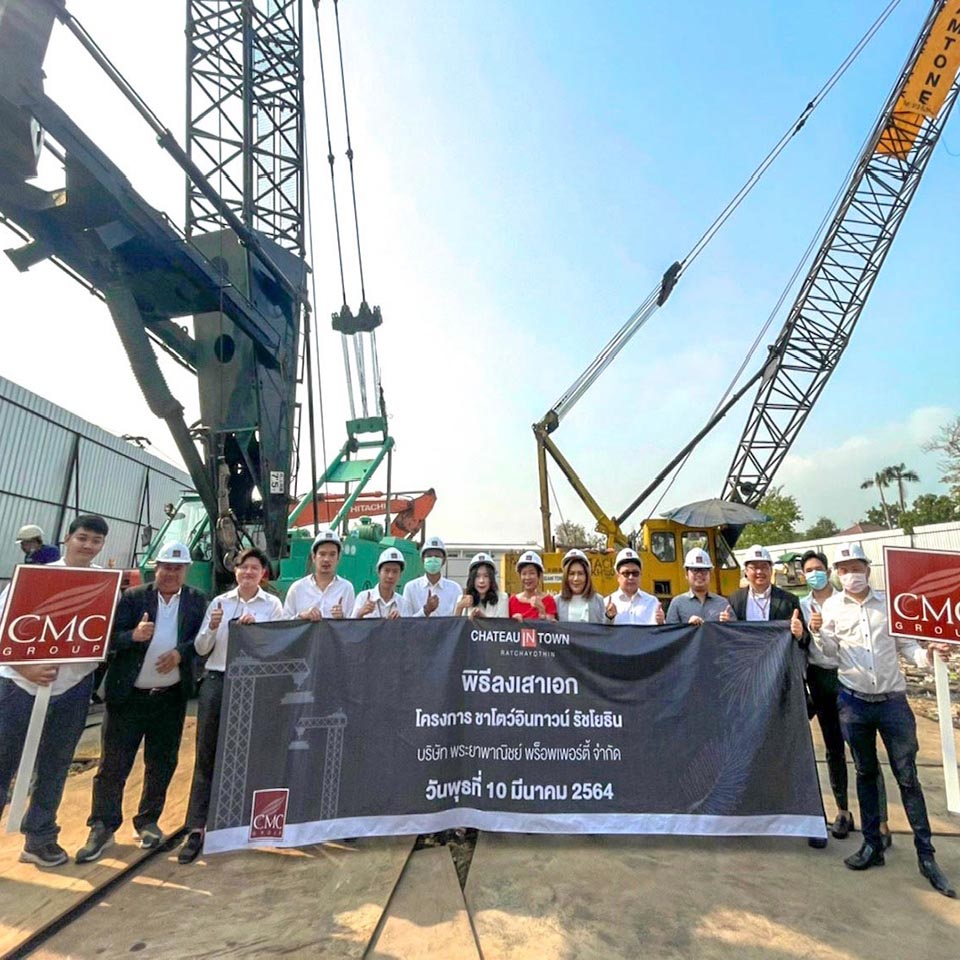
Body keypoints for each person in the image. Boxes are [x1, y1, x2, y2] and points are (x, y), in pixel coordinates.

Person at [819, 543, 955, 897]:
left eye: (856, 567)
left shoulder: (891, 604)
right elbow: (829, 655)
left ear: (868, 568)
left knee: (907, 777)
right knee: (865, 774)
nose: (851, 574)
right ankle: (872, 845)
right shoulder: (831, 608)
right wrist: (818, 633)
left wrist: (929, 654)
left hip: (893, 704)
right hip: (854, 704)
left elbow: (908, 648)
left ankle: (926, 855)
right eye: (844, 569)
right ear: (837, 574)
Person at [75, 542, 207, 863]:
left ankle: (148, 820)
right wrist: (132, 636)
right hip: (128, 698)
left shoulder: (196, 601)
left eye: (178, 568)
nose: (171, 573)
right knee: (114, 764)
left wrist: (181, 653)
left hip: (170, 699)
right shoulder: (132, 598)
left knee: (162, 762)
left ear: (186, 570)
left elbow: (203, 640)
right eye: (166, 567)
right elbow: (105, 638)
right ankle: (103, 825)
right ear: (155, 568)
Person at [0, 514, 109, 868]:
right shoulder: (33, 579)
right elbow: (4, 627)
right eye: (83, 537)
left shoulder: (104, 585)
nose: (88, 545)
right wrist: (27, 668)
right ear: (67, 538)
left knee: (55, 764)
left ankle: (40, 838)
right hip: (20, 686)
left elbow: (101, 635)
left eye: (95, 540)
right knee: (3, 762)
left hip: (73, 688)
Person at [179, 547, 283, 864]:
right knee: (207, 753)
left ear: (262, 574)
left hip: (254, 683)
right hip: (218, 680)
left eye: (254, 568)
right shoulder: (219, 603)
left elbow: (279, 647)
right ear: (235, 571)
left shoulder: (272, 606)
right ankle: (197, 827)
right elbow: (201, 648)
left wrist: (258, 633)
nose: (248, 572)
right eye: (243, 567)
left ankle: (246, 822)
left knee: (253, 752)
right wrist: (212, 626)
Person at [800, 549, 889, 845]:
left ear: (829, 572)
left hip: (848, 676)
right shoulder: (801, 605)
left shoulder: (845, 602)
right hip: (819, 678)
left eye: (818, 568)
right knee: (833, 748)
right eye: (808, 570)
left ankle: (880, 820)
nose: (814, 574)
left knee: (864, 750)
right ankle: (842, 811)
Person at [726, 544, 806, 643]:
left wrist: (799, 634)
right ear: (746, 571)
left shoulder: (789, 600)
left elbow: (805, 639)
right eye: (754, 567)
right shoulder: (735, 600)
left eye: (764, 567)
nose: (759, 571)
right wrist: (725, 625)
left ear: (771, 570)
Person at [282, 529, 356, 620]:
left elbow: (352, 624)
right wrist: (302, 616)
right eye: (322, 554)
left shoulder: (346, 588)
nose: (326, 559)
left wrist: (342, 619)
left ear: (338, 558)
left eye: (332, 554)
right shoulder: (297, 588)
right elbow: (284, 623)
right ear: (313, 557)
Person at [665, 548, 734, 624]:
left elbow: (735, 630)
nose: (699, 574)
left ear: (710, 574)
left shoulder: (722, 603)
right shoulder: (677, 603)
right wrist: (688, 627)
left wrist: (728, 623)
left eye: (704, 570)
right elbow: (671, 630)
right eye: (695, 570)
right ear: (686, 574)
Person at [404, 536, 462, 617]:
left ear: (444, 561)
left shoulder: (455, 589)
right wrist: (426, 610)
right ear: (422, 559)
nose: (433, 559)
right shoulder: (411, 588)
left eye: (437, 556)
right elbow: (406, 621)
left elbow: (458, 621)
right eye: (429, 556)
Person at [603, 548, 664, 625]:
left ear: (640, 575)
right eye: (626, 573)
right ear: (618, 576)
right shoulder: (606, 603)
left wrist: (661, 623)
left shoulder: (652, 602)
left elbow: (661, 632)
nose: (631, 577)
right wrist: (609, 618)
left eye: (635, 573)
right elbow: (600, 631)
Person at [353, 547, 414, 619]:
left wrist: (400, 622)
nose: (390, 576)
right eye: (387, 570)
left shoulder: (404, 604)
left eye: (395, 571)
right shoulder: (363, 597)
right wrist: (360, 614)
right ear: (378, 572)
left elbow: (409, 626)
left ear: (400, 575)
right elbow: (350, 625)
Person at [556, 549, 605, 623]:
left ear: (587, 576)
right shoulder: (557, 601)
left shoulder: (598, 600)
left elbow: (604, 627)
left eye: (580, 573)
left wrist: (610, 617)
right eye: (571, 574)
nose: (576, 579)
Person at [455, 552, 509, 618]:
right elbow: (455, 623)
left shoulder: (502, 598)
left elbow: (503, 623)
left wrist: (482, 618)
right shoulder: (462, 598)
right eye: (477, 576)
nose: (481, 581)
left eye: (486, 576)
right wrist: (459, 607)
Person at [509, 551, 557, 621]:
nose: (527, 577)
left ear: (539, 575)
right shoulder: (512, 601)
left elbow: (552, 625)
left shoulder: (549, 600)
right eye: (524, 573)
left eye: (532, 573)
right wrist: (512, 622)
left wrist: (542, 611)